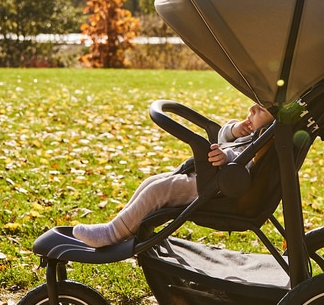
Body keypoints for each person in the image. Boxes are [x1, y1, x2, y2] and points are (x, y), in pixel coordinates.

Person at [71, 103, 275, 248]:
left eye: (260, 110)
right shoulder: (255, 135)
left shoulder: (265, 142)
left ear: (273, 122)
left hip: (218, 189)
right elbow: (224, 139)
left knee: (159, 191)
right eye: (254, 105)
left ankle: (111, 234)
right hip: (208, 180)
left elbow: (243, 162)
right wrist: (233, 130)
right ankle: (126, 229)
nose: (251, 110)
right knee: (152, 182)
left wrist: (224, 157)